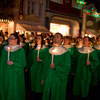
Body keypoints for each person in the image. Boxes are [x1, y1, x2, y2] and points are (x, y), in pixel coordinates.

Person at [42, 33, 71, 100]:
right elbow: (45, 65)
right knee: (47, 93)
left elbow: (67, 67)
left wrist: (56, 67)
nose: (55, 38)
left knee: (56, 94)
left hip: (58, 77)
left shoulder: (65, 52)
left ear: (61, 40)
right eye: (54, 37)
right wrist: (43, 77)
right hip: (48, 76)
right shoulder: (49, 50)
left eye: (57, 37)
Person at [0, 33, 26, 100]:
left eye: (12, 38)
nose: (9, 40)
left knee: (13, 90)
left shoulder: (20, 50)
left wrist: (14, 63)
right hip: (5, 73)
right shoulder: (4, 49)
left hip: (14, 75)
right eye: (9, 38)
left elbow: (23, 63)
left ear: (16, 40)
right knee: (5, 88)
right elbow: (1, 61)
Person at [26, 35, 49, 100]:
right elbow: (30, 58)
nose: (37, 39)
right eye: (36, 38)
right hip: (33, 68)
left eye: (39, 38)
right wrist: (27, 66)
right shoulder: (33, 48)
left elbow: (47, 60)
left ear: (42, 40)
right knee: (33, 83)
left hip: (41, 68)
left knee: (39, 84)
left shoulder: (45, 49)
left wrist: (41, 60)